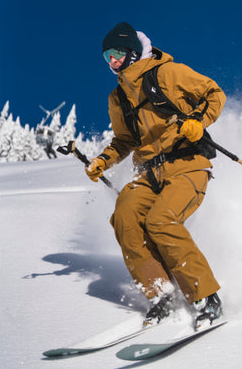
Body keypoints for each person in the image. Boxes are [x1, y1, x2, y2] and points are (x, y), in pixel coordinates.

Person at [84, 22, 226, 329]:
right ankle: (162, 294)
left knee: (161, 221)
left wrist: (198, 122)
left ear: (133, 52)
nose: (112, 61)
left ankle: (206, 297)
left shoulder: (168, 73)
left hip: (187, 163)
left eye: (117, 53)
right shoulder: (118, 98)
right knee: (125, 216)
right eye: (107, 56)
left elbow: (214, 93)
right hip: (148, 172)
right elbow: (124, 141)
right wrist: (103, 161)